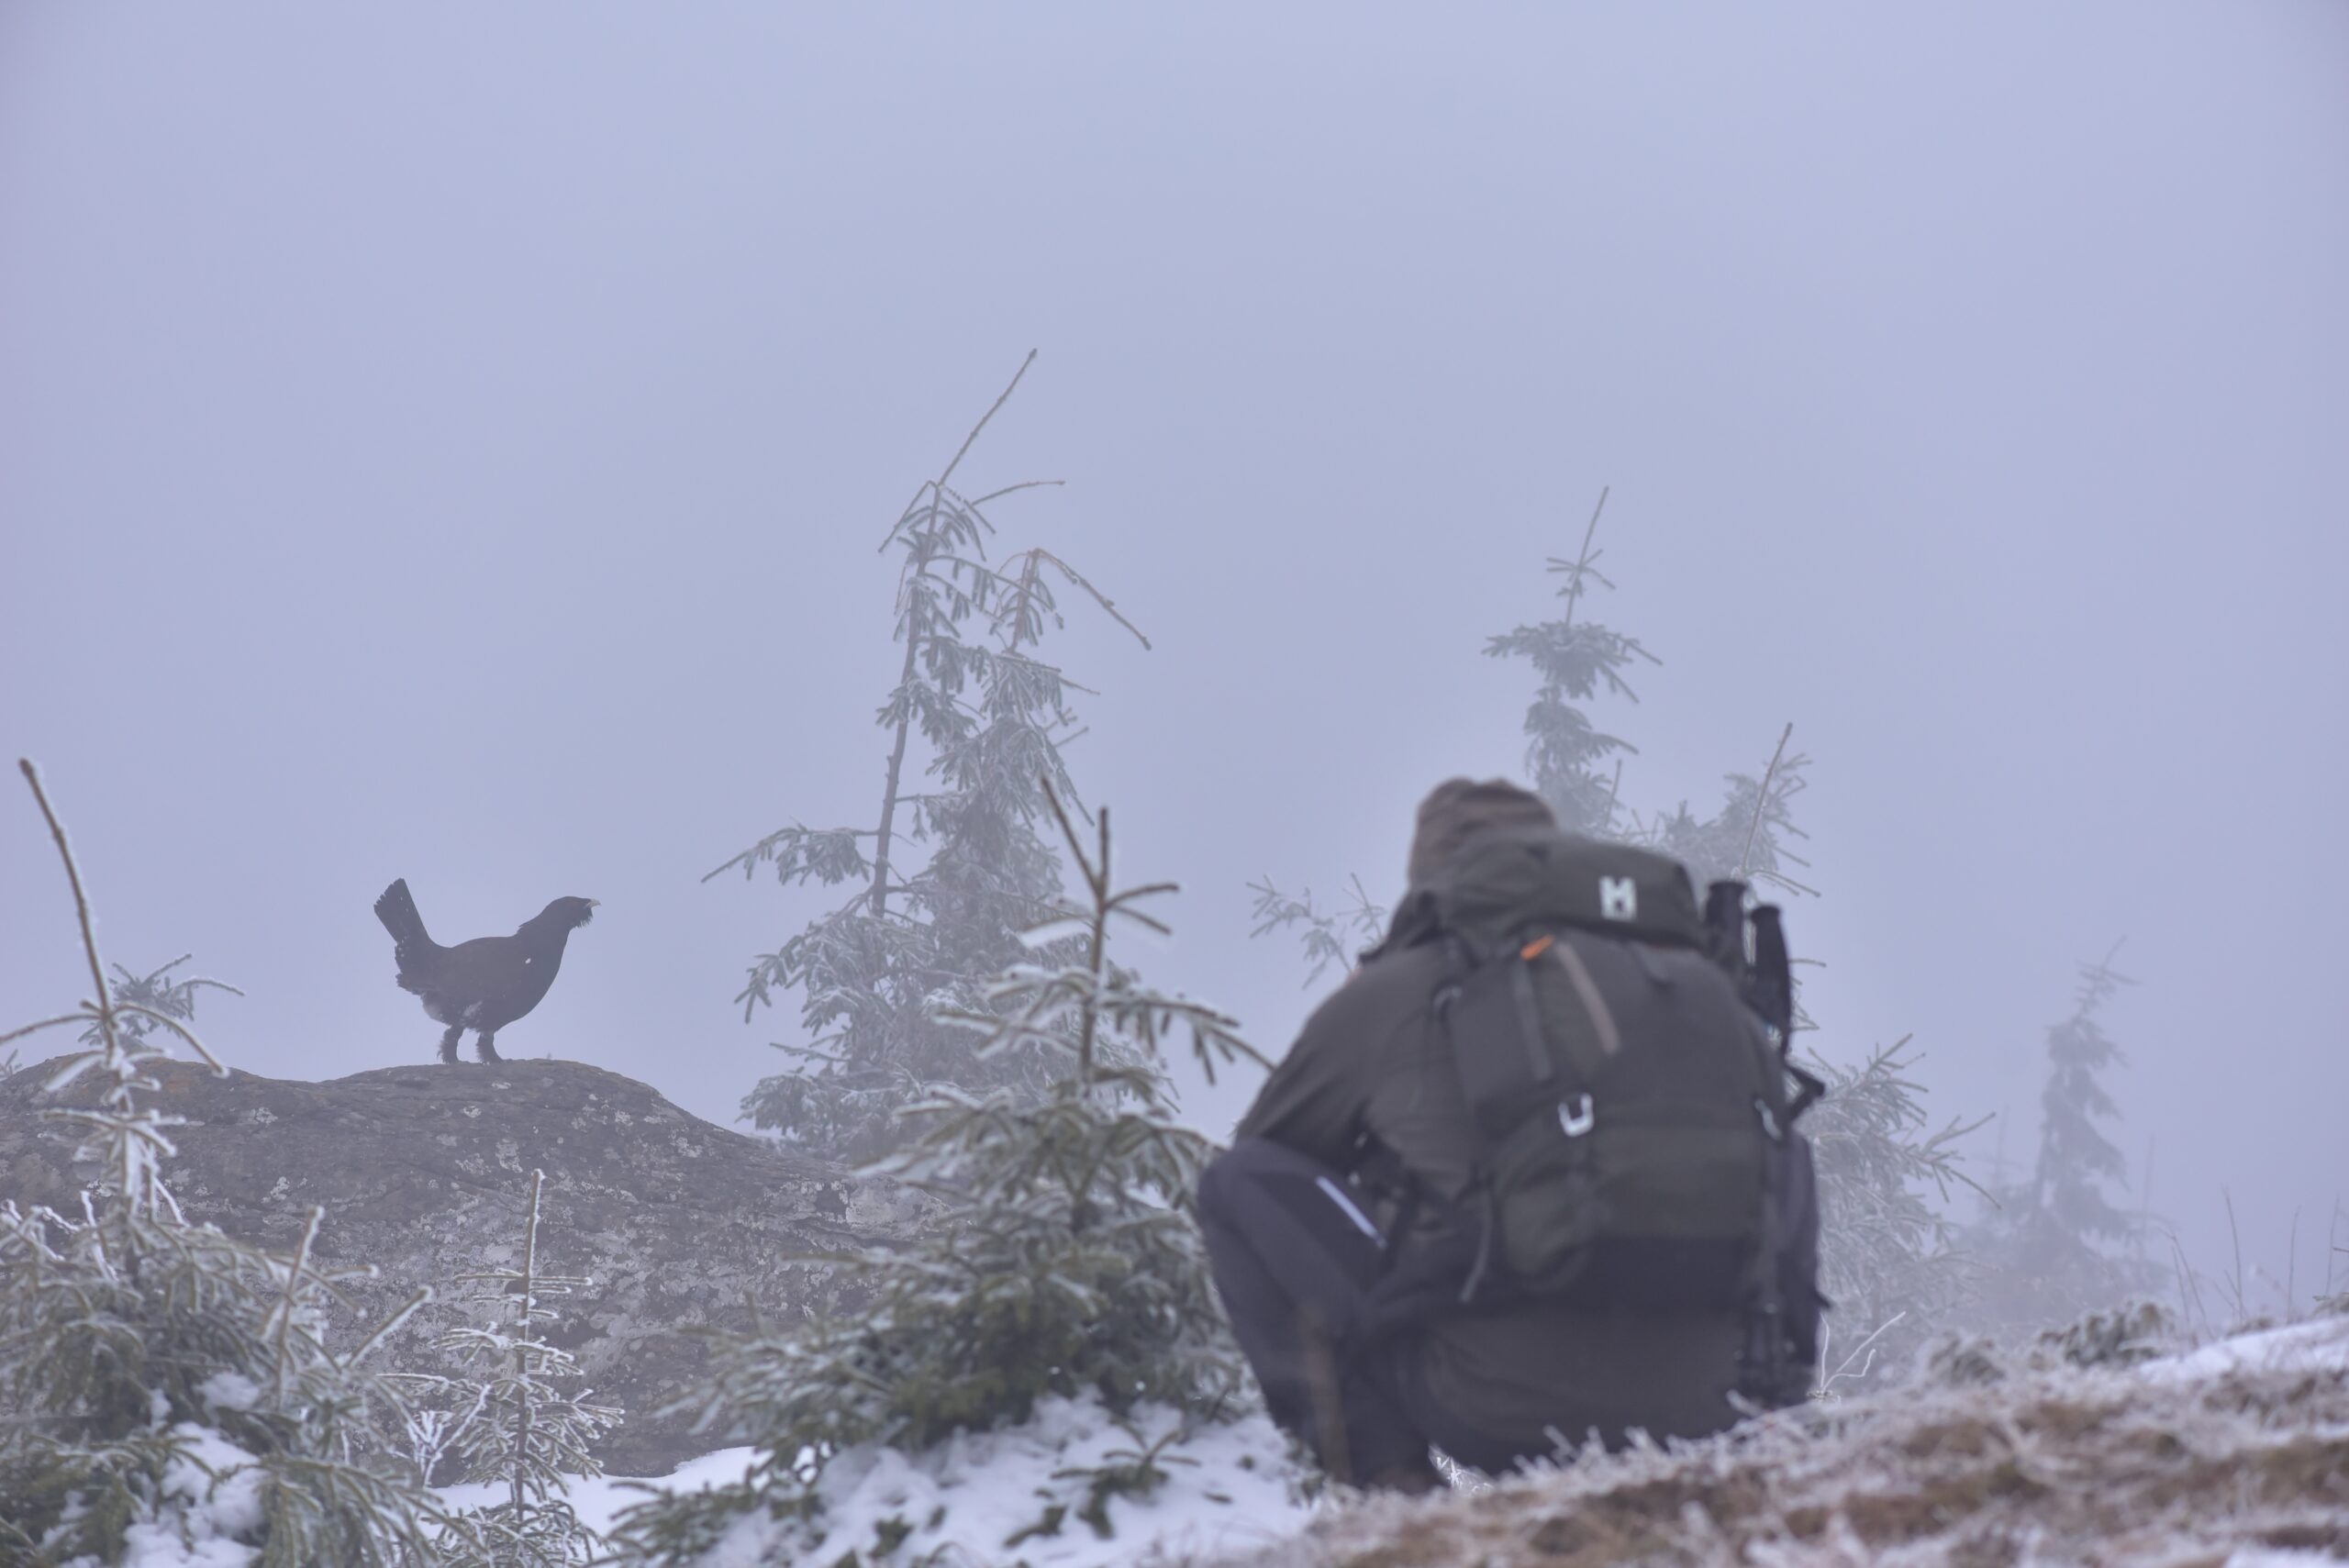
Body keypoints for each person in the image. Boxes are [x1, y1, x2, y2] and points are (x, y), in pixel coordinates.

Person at [1197, 778, 1820, 1491]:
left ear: (1430, 878)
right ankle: (1781, 1422)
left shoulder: (1399, 988)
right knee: (1784, 1147)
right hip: (1718, 1407)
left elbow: (1273, 1160)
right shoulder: (1697, 985)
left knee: (1235, 1184)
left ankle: (1395, 1490)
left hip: (1495, 1404)